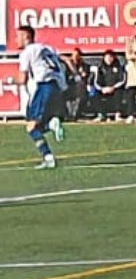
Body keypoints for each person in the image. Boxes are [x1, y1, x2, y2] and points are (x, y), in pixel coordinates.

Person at [15, 23, 66, 169]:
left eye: (18, 36)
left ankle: (48, 157)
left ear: (26, 37)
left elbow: (22, 78)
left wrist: (12, 81)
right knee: (36, 126)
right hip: (56, 88)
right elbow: (64, 60)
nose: (16, 40)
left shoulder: (27, 52)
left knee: (31, 127)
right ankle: (51, 125)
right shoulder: (46, 48)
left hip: (44, 87)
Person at [89, 49, 127, 121]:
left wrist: (113, 87)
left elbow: (122, 80)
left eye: (111, 57)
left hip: (115, 89)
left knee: (118, 93)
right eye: (107, 57)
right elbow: (96, 82)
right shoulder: (99, 68)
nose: (109, 59)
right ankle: (101, 114)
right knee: (94, 94)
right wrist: (102, 89)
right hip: (103, 90)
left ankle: (117, 115)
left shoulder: (119, 67)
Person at [63, 48, 90, 122]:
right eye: (73, 55)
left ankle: (75, 115)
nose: (75, 57)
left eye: (77, 55)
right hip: (69, 87)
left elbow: (85, 76)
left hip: (80, 88)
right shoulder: (67, 66)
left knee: (81, 94)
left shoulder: (84, 66)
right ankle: (69, 115)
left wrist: (82, 74)